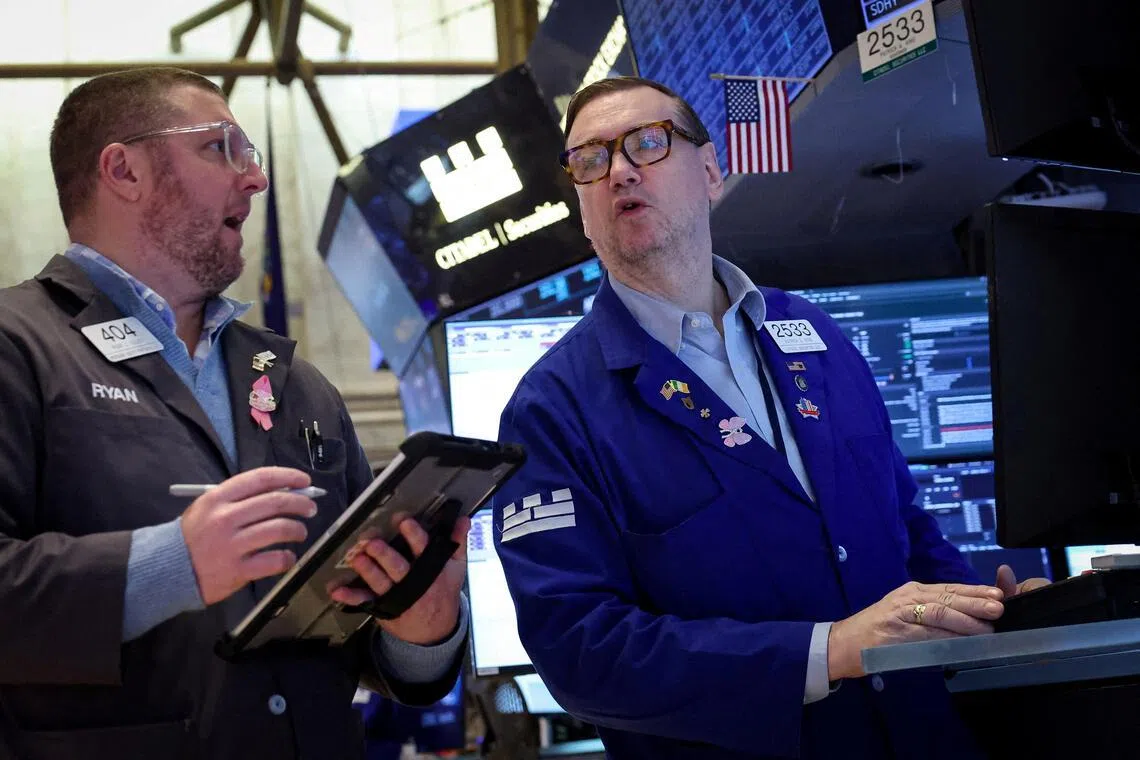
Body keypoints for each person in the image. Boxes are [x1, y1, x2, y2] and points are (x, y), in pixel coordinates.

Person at [492, 76, 1050, 759]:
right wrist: (827, 651)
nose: (621, 171)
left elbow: (904, 529)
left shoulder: (814, 336)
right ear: (580, 204)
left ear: (710, 171)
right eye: (590, 159)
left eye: (648, 142)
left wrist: (989, 609)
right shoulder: (552, 410)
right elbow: (580, 650)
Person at [0, 68, 471, 760]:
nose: (255, 180)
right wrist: (172, 564)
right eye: (221, 148)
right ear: (122, 169)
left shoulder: (297, 384)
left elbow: (378, 659)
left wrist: (423, 624)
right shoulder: (19, 345)